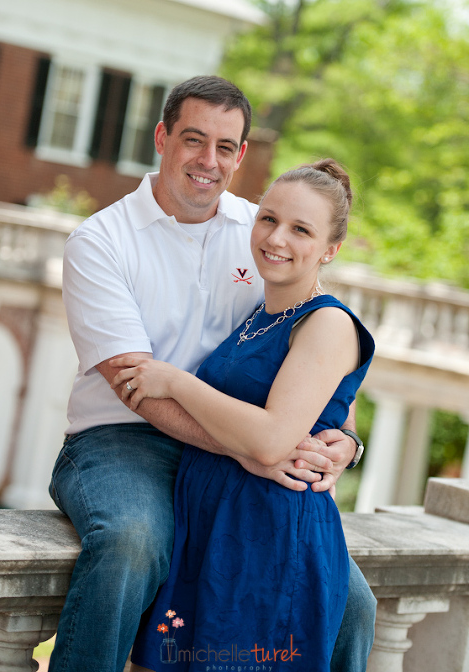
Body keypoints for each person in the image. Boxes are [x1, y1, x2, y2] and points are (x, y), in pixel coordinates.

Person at [49, 76, 376, 672]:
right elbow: (134, 386)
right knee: (131, 545)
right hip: (122, 441)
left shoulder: (264, 229)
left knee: (350, 600)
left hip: (240, 447)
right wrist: (252, 450)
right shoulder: (100, 241)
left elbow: (318, 345)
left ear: (241, 153)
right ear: (162, 137)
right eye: (193, 139)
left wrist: (346, 439)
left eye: (225, 146)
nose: (208, 160)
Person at [111, 160, 374, 672]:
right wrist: (349, 440)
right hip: (211, 529)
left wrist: (175, 382)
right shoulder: (261, 313)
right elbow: (334, 406)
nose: (276, 238)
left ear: (331, 249)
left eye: (301, 230)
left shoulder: (327, 322)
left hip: (267, 541)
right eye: (268, 219)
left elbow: (272, 441)